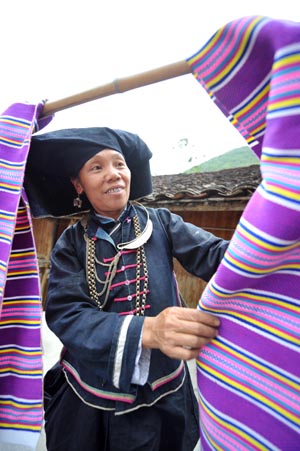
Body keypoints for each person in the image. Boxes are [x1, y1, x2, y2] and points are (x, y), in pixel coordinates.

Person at [25, 127, 229, 451]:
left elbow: (218, 256)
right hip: (91, 396)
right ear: (78, 185)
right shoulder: (72, 244)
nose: (112, 175)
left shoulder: (161, 223)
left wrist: (270, 244)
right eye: (96, 167)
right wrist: (148, 330)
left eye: (119, 164)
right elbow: (66, 313)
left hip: (164, 391)